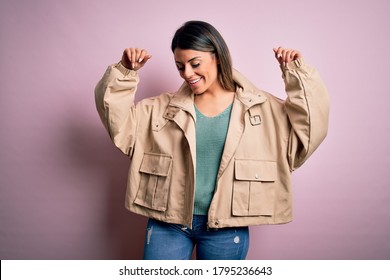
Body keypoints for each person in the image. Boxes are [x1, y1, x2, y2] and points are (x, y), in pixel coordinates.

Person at [95, 20, 329, 260]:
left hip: (226, 228)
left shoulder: (262, 109)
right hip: (168, 223)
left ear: (217, 56)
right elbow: (120, 125)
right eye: (180, 66)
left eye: (195, 64)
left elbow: (308, 133)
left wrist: (297, 74)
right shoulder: (162, 109)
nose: (187, 74)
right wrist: (125, 71)